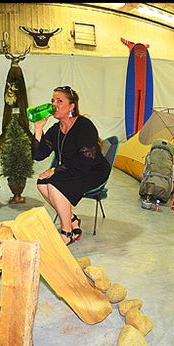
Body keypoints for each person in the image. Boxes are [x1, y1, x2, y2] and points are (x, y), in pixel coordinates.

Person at [31, 86, 110, 245]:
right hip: (73, 169)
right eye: (53, 100)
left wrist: (55, 170)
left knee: (54, 184)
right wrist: (38, 128)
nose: (54, 105)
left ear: (71, 106)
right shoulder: (56, 129)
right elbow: (38, 155)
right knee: (42, 183)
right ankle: (72, 219)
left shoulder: (84, 126)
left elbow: (85, 161)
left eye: (60, 101)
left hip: (93, 171)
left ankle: (67, 232)